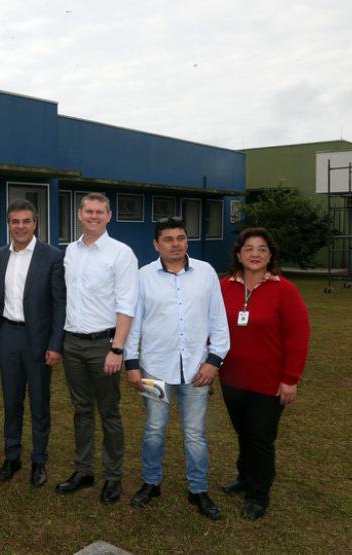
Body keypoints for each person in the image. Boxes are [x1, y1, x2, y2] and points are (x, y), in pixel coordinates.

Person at [124, 217, 230, 521]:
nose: (175, 244)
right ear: (156, 244)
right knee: (154, 429)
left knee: (195, 433)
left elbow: (218, 321)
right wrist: (132, 364)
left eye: (181, 238)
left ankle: (198, 489)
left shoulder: (206, 273)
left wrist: (213, 362)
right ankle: (151, 483)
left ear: (187, 241)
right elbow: (134, 324)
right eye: (168, 239)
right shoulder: (143, 277)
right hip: (154, 370)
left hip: (197, 372)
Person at [219, 227, 309, 520]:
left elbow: (298, 337)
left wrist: (290, 379)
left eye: (262, 249)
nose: (255, 254)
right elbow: (210, 327)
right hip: (232, 379)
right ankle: (245, 477)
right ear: (238, 254)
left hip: (268, 382)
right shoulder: (224, 286)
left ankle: (259, 494)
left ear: (270, 256)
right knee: (244, 432)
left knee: (260, 437)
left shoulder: (284, 290)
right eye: (249, 248)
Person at [57, 192, 138, 505]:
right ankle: (84, 470)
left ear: (108, 216)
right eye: (88, 211)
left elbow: (127, 304)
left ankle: (113, 477)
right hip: (73, 343)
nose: (93, 216)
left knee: (109, 412)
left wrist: (117, 349)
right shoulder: (70, 252)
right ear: (79, 214)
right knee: (80, 410)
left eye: (99, 212)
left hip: (104, 345)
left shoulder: (121, 254)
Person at [0, 199, 66, 487]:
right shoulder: (1, 255)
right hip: (9, 335)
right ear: (9, 224)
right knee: (12, 401)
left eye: (26, 221)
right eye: (15, 221)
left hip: (38, 339)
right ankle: (12, 456)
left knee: (39, 402)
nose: (21, 226)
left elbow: (60, 304)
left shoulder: (51, 256)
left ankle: (39, 459)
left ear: (35, 223)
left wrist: (55, 344)